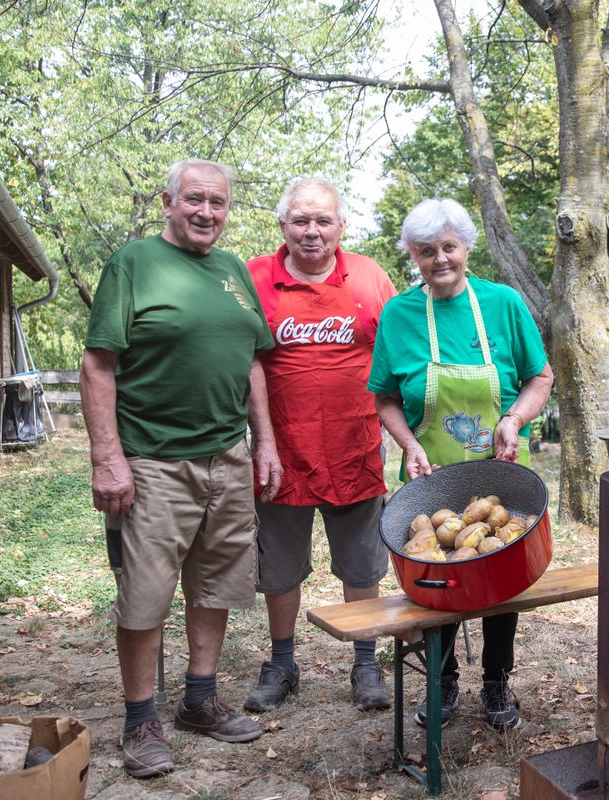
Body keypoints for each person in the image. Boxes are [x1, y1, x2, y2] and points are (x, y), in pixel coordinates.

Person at [80, 159, 281, 779]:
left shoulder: (230, 271)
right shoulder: (133, 264)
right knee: (145, 594)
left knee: (217, 583)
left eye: (217, 203)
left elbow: (252, 360)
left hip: (227, 456)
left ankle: (199, 699)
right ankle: (141, 719)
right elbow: (97, 365)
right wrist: (107, 456)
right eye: (194, 200)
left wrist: (264, 444)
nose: (206, 213)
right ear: (168, 202)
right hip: (153, 461)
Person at [368, 198, 554, 731]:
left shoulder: (503, 304)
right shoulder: (399, 314)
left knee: (500, 581)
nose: (440, 259)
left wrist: (513, 420)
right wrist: (407, 443)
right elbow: (384, 397)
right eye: (427, 251)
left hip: (498, 475)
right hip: (430, 483)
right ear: (413, 255)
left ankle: (497, 682)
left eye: (449, 247)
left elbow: (540, 377)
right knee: (435, 581)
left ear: (466, 248)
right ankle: (443, 684)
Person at [243, 177, 398, 713]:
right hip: (280, 450)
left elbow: (400, 354)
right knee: (280, 566)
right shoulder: (254, 277)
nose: (312, 232)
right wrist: (260, 439)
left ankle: (366, 663)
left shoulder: (371, 277)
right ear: (282, 225)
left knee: (362, 564)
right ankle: (282, 663)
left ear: (341, 227)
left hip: (355, 446)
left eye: (323, 221)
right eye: (300, 220)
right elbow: (245, 361)